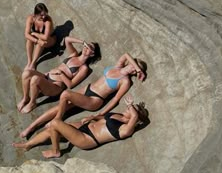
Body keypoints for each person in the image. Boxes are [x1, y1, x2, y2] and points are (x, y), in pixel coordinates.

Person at [19, 53, 147, 138]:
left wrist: (101, 113)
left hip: (95, 99)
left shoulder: (125, 81)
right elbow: (125, 55)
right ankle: (32, 127)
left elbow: (116, 99)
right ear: (132, 63)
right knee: (61, 105)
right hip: (87, 89)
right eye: (133, 66)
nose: (132, 69)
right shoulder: (117, 66)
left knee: (65, 94)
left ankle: (56, 120)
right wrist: (137, 67)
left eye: (135, 71)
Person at [13, 94, 149, 158]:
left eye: (133, 110)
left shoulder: (126, 129)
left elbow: (135, 117)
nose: (129, 109)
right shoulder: (119, 115)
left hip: (87, 139)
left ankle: (56, 151)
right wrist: (93, 117)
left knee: (55, 123)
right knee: (53, 129)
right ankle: (29, 144)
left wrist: (131, 106)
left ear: (136, 118)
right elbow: (103, 118)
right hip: (85, 127)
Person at [17, 38, 101, 113]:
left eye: (91, 47)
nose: (87, 47)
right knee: (26, 73)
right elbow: (67, 40)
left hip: (55, 86)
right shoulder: (73, 54)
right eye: (87, 45)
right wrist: (83, 42)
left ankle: (32, 103)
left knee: (35, 79)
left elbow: (71, 85)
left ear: (92, 54)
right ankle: (25, 98)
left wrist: (60, 73)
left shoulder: (83, 68)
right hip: (47, 77)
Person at [24, 3, 56, 70]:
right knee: (29, 39)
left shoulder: (47, 21)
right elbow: (26, 34)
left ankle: (33, 63)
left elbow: (46, 37)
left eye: (45, 14)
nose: (44, 17)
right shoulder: (30, 18)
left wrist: (35, 34)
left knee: (40, 42)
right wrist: (37, 40)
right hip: (39, 38)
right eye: (41, 15)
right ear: (36, 14)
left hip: (50, 39)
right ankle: (29, 61)